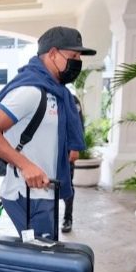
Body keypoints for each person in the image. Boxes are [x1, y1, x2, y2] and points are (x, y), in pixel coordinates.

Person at [0, 26, 93, 238]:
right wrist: (26, 165)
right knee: (42, 263)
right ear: (52, 54)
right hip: (29, 193)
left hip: (45, 191)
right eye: (73, 56)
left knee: (39, 259)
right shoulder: (30, 91)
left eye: (79, 57)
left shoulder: (59, 95)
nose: (78, 62)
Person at [62, 96, 85, 233]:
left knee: (67, 185)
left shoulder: (71, 99)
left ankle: (67, 218)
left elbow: (78, 123)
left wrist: (75, 148)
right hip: (45, 150)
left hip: (66, 150)